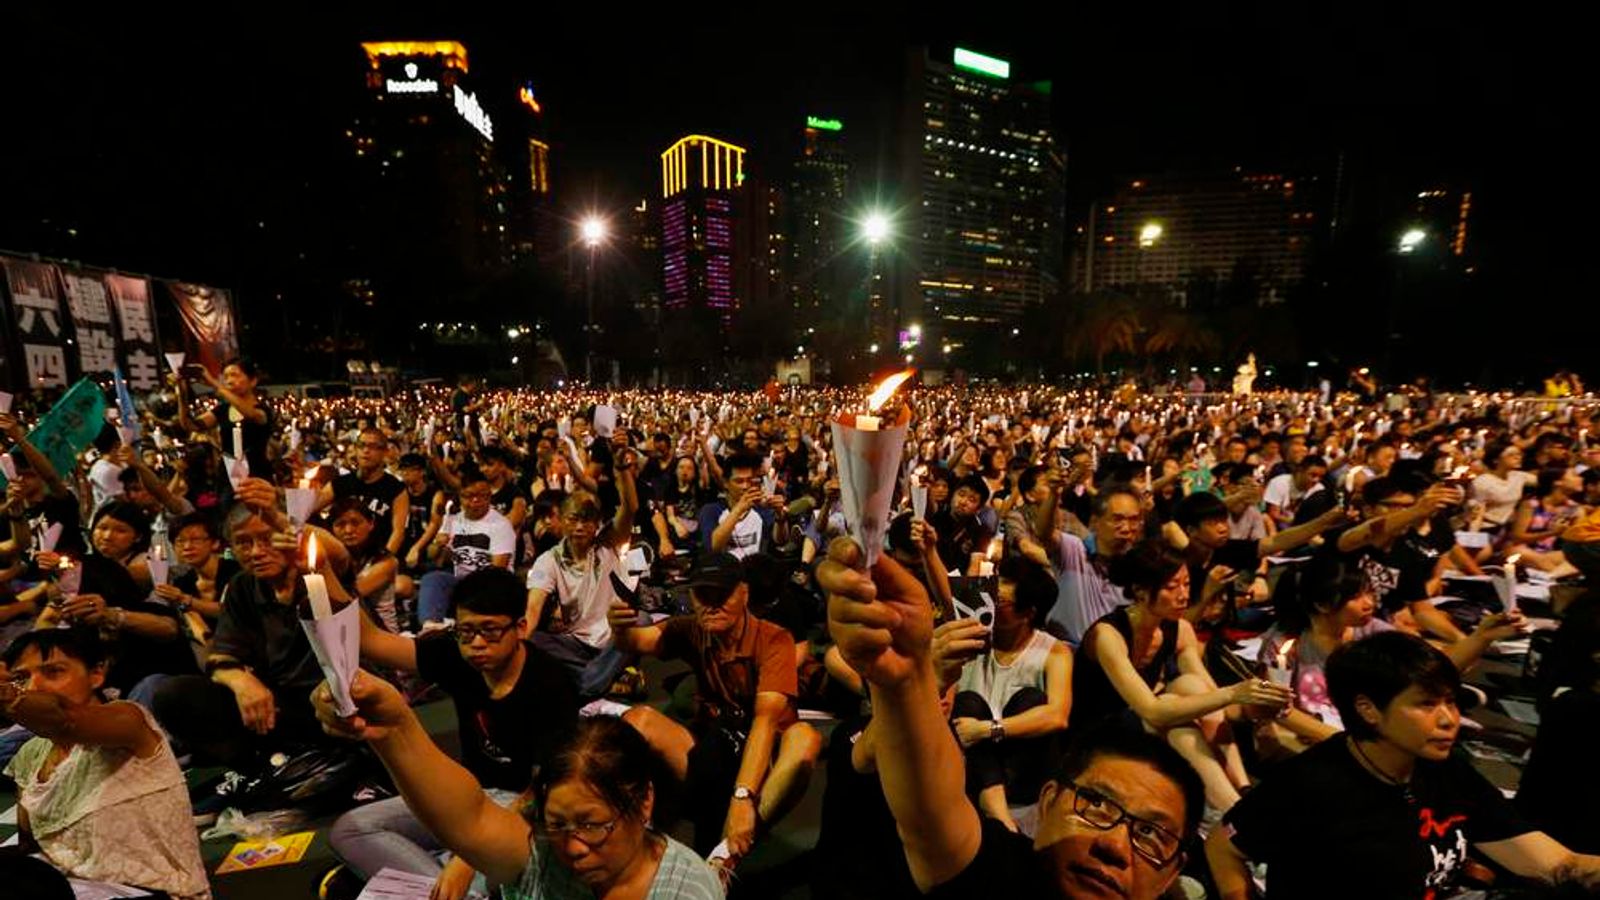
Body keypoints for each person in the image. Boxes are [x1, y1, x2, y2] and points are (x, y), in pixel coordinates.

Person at [817, 540, 1207, 900]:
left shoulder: (1054, 652)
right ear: (1049, 802)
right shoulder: (1001, 875)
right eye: (1097, 805)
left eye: (1151, 834)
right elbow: (930, 816)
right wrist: (909, 684)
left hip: (1017, 755)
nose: (1115, 846)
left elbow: (1057, 715)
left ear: (1174, 872)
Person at [1208, 631, 1600, 898]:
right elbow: (1224, 847)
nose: (1449, 718)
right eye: (1426, 704)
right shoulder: (1311, 784)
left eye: (1450, 701)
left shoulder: (1443, 770)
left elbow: (1556, 864)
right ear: (1369, 710)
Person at [313, 678, 724, 900]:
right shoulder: (547, 858)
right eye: (558, 825)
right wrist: (395, 730)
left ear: (644, 801)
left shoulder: (687, 891)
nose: (575, 848)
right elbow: (471, 818)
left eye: (593, 825)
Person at [330, 567, 579, 897]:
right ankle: (445, 886)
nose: (476, 644)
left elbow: (542, 790)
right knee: (350, 831)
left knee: (479, 874)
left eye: (490, 631)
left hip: (520, 811)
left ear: (520, 627)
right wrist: (321, 571)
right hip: (464, 793)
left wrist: (467, 858)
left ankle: (442, 882)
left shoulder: (550, 683)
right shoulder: (455, 655)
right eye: (466, 631)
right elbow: (373, 640)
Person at [609, 552, 822, 871]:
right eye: (702, 594)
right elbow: (637, 641)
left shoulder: (774, 638)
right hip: (713, 749)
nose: (711, 604)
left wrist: (743, 796)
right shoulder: (694, 628)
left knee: (804, 739)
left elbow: (765, 721)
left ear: (744, 593)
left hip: (764, 764)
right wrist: (619, 626)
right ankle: (639, 830)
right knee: (637, 721)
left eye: (721, 594)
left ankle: (728, 853)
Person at [1072, 540, 1289, 812]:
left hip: (1143, 721)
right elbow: (1152, 711)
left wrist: (1259, 704)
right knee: (1180, 724)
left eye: (1186, 584)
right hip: (1098, 730)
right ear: (1140, 591)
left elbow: (1217, 702)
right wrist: (1233, 692)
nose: (1184, 595)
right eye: (1172, 587)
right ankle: (1235, 811)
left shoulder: (1179, 629)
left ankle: (1242, 790)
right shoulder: (1108, 635)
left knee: (1191, 684)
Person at [1, 629, 211, 900]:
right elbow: (28, 847)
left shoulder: (129, 720)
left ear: (96, 675)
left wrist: (7, 695)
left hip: (153, 893)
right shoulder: (30, 755)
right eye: (21, 678)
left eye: (53, 672)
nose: (32, 687)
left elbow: (65, 719)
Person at [150, 488, 351, 770]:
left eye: (268, 539)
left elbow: (338, 554)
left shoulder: (318, 571)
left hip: (335, 698)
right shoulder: (242, 587)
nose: (257, 552)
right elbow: (221, 656)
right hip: (277, 706)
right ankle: (257, 771)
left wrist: (281, 518)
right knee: (173, 694)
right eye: (244, 543)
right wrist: (241, 682)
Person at [1254, 554, 1523, 759]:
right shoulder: (1285, 642)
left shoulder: (1373, 631)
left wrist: (1482, 637)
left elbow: (1431, 670)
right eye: (1355, 596)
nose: (1369, 602)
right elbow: (1276, 709)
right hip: (1310, 738)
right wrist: (1346, 741)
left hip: (1366, 734)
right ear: (1322, 604)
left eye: (1369, 592)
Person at [942, 556, 1072, 832]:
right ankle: (1000, 816)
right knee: (968, 702)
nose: (989, 605)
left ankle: (1002, 811)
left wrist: (990, 729)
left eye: (999, 602)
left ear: (1028, 613)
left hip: (1021, 768)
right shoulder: (970, 637)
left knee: (1032, 700)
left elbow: (1057, 716)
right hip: (973, 762)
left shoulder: (1054, 652)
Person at [524, 484, 637, 700]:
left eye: (586, 520)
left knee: (640, 620)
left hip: (614, 636)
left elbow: (630, 507)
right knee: (534, 641)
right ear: (563, 520)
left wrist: (621, 469)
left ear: (596, 525)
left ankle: (585, 686)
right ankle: (609, 678)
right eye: (573, 519)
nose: (579, 527)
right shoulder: (548, 560)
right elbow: (533, 607)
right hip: (576, 641)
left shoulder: (608, 543)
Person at [1044, 484, 1144, 645]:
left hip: (1112, 658)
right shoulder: (1074, 549)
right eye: (1117, 519)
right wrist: (1053, 494)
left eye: (1134, 520)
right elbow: (1044, 533)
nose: (1127, 528)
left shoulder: (1142, 565)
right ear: (1095, 522)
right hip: (1066, 654)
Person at [419, 468, 516, 627]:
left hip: (491, 583)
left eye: (482, 496)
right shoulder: (453, 520)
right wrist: (438, 544)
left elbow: (498, 569)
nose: (476, 501)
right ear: (461, 496)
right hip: (462, 582)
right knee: (433, 578)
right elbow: (433, 557)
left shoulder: (501, 525)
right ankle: (431, 626)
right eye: (469, 496)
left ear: (489, 496)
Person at [176, 356, 274, 478]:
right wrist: (182, 392)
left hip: (256, 473)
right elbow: (189, 425)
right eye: (226, 377)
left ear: (253, 381)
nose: (229, 381)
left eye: (235, 375)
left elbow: (250, 414)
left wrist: (213, 383)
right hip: (229, 474)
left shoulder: (262, 410)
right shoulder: (223, 409)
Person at [321, 427, 409, 558]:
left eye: (373, 446)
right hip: (342, 558)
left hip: (377, 557)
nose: (366, 450)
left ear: (384, 452)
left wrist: (382, 562)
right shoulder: (340, 483)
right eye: (361, 445)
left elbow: (398, 533)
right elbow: (306, 510)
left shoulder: (396, 489)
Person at [696, 454, 789, 561]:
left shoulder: (761, 510)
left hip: (755, 571)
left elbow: (780, 541)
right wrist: (739, 509)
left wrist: (780, 516)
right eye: (739, 481)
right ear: (726, 483)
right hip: (724, 572)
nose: (745, 486)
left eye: (749, 480)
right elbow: (713, 547)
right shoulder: (711, 510)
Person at [328, 498, 401, 632]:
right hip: (346, 631)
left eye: (356, 523)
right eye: (340, 524)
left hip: (382, 635)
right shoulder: (333, 560)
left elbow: (348, 597)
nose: (349, 530)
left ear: (371, 523)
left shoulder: (386, 562)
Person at [157, 511, 240, 626]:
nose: (187, 547)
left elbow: (229, 611)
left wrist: (184, 598)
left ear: (215, 543)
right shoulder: (182, 583)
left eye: (195, 540)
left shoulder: (236, 573)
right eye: (180, 541)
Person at [1472, 443, 1538, 532]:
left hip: (1507, 528)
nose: (1518, 458)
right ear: (1496, 460)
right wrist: (1471, 539)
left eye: (1519, 454)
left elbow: (1545, 481)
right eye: (1511, 455)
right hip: (1486, 527)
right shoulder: (1482, 482)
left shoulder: (1518, 476)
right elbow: (1475, 516)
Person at [1261, 454, 1328, 529]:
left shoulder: (1319, 489)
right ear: (1300, 470)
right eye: (1313, 475)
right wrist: (1297, 522)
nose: (1316, 480)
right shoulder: (1279, 482)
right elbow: (1273, 514)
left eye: (1321, 477)